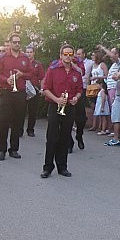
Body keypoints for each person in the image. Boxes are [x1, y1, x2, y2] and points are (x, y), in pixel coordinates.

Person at [40, 44, 83, 178]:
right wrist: (57, 99)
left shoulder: (76, 72)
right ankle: (47, 168)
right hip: (55, 106)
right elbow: (45, 89)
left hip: (69, 108)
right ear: (61, 55)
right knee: (52, 138)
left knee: (65, 138)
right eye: (65, 54)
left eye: (70, 54)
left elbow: (80, 90)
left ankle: (62, 167)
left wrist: (76, 98)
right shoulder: (53, 70)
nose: (68, 56)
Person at [0, 33, 31, 161]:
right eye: (14, 42)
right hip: (6, 91)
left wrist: (23, 74)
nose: (17, 44)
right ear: (9, 43)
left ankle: (14, 149)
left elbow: (31, 74)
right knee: (4, 121)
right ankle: (1, 149)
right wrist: (6, 79)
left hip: (20, 92)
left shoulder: (25, 58)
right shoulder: (3, 57)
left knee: (18, 121)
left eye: (18, 42)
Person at [24, 45, 45, 137]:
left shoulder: (38, 64)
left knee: (32, 111)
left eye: (30, 52)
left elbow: (42, 77)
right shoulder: (22, 63)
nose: (29, 54)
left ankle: (30, 130)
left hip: (34, 90)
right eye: (27, 52)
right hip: (23, 89)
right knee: (21, 110)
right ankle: (19, 129)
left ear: (34, 53)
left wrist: (42, 89)